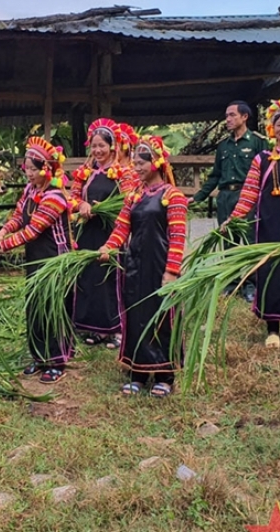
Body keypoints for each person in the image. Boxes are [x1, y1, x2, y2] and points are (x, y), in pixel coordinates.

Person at [222, 99, 280, 349]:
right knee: (270, 274)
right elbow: (249, 193)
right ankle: (272, 327)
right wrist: (234, 218)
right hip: (268, 227)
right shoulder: (262, 159)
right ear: (272, 129)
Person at [99, 136, 188, 397]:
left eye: (141, 163)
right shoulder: (134, 195)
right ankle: (137, 371)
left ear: (157, 163)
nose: (136, 168)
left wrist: (172, 271)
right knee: (136, 314)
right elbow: (121, 228)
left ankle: (165, 375)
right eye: (135, 163)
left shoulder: (173, 196)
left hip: (159, 266)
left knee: (160, 315)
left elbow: (178, 237)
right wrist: (109, 247)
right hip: (134, 265)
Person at [0, 137, 74, 384]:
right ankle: (39, 355)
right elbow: (18, 217)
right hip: (35, 259)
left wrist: (0, 245)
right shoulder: (30, 190)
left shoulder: (55, 197)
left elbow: (32, 231)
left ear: (47, 169)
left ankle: (57, 359)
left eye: (34, 169)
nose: (29, 174)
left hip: (54, 260)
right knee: (35, 305)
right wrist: (2, 231)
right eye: (28, 169)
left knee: (52, 308)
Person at [68, 119, 140, 349]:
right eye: (94, 146)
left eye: (102, 146)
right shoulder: (85, 173)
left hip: (111, 232)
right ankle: (94, 328)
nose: (97, 150)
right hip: (87, 231)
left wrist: (106, 207)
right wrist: (81, 205)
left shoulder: (124, 173)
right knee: (89, 277)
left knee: (110, 278)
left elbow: (130, 202)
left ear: (112, 146)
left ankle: (117, 329)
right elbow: (72, 198)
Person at [190, 101, 267, 301]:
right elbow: (215, 175)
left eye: (232, 115)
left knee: (250, 241)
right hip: (225, 197)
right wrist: (198, 197)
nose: (228, 120)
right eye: (226, 116)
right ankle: (232, 283)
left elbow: (266, 173)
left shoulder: (257, 142)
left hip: (247, 196)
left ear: (244, 117)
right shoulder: (223, 145)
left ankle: (250, 285)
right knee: (227, 242)